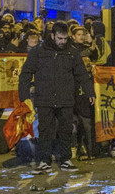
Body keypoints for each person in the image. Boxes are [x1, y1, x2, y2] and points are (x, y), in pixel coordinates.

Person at [19, 22, 95, 174]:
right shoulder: (38, 51)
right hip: (44, 98)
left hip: (65, 97)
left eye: (65, 38)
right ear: (52, 35)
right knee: (45, 130)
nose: (63, 42)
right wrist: (24, 96)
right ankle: (44, 161)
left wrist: (90, 92)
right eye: (60, 38)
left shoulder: (72, 53)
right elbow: (26, 73)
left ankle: (65, 159)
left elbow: (81, 74)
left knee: (65, 130)